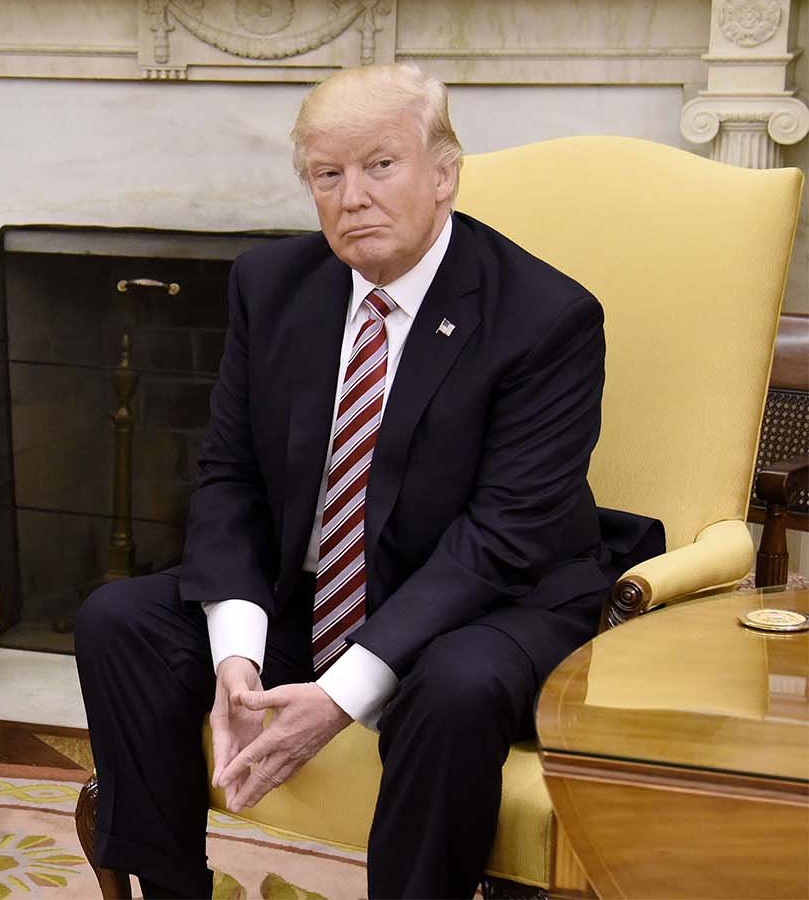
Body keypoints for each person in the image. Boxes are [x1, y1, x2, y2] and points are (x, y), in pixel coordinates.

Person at [75, 64, 661, 899]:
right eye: (328, 173)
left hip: (498, 598)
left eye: (380, 165)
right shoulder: (272, 286)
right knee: (120, 620)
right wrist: (235, 651)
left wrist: (342, 692)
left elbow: (502, 538)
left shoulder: (547, 317)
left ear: (445, 173)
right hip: (319, 593)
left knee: (453, 689)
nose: (352, 197)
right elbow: (230, 477)